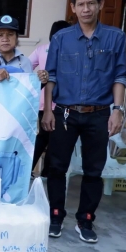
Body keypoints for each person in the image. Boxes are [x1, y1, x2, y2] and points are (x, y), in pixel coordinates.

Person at [42, 0, 126, 243]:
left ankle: (86, 220)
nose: (86, 9)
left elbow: (119, 75)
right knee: (56, 167)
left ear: (100, 5)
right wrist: (48, 111)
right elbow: (51, 76)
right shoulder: (61, 38)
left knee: (93, 170)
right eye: (81, 4)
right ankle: (56, 216)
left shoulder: (115, 37)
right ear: (73, 8)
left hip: (99, 114)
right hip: (65, 113)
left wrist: (117, 110)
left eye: (91, 3)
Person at [28, 20, 70, 177]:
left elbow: (25, 67)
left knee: (42, 137)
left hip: (42, 102)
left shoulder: (41, 49)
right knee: (56, 140)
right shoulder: (70, 51)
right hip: (62, 103)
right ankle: (47, 174)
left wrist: (36, 80)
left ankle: (27, 169)